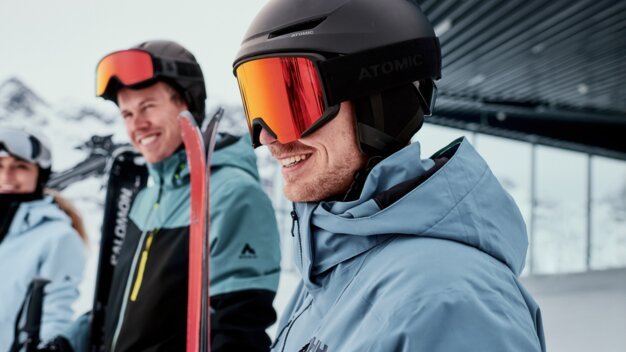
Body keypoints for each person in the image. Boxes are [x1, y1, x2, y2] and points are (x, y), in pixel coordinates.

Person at [232, 0, 546, 351]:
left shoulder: (448, 300)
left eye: (294, 103)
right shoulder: (333, 269)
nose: (266, 137)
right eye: (260, 104)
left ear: (380, 104)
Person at [57, 40, 280, 352]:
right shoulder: (143, 200)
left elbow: (238, 326)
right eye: (127, 113)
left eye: (148, 106)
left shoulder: (232, 194)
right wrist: (69, 342)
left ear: (186, 104)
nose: (137, 124)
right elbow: (120, 310)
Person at [0, 128, 87, 351]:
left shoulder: (58, 237)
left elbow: (56, 314)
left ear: (40, 173)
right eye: (0, 166)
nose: (7, 176)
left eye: (20, 166)